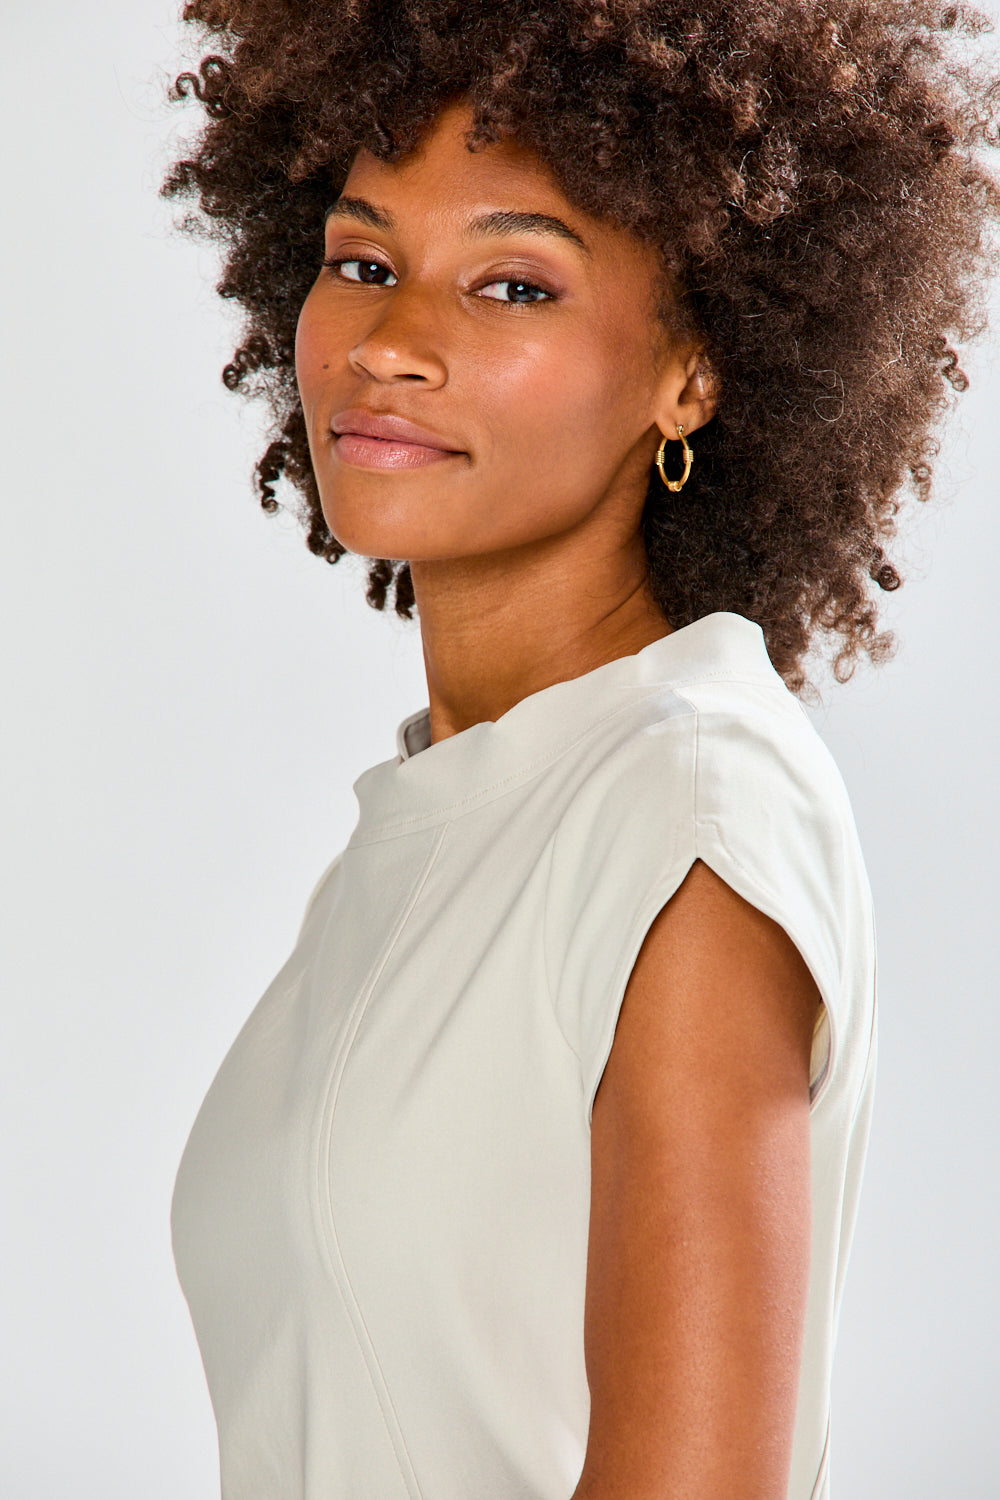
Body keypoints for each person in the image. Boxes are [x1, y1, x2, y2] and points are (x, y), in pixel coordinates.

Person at [162, 3, 1000, 1497]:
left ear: (694, 369)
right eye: (364, 263)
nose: (392, 345)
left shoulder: (687, 807)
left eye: (513, 284)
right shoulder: (436, 827)